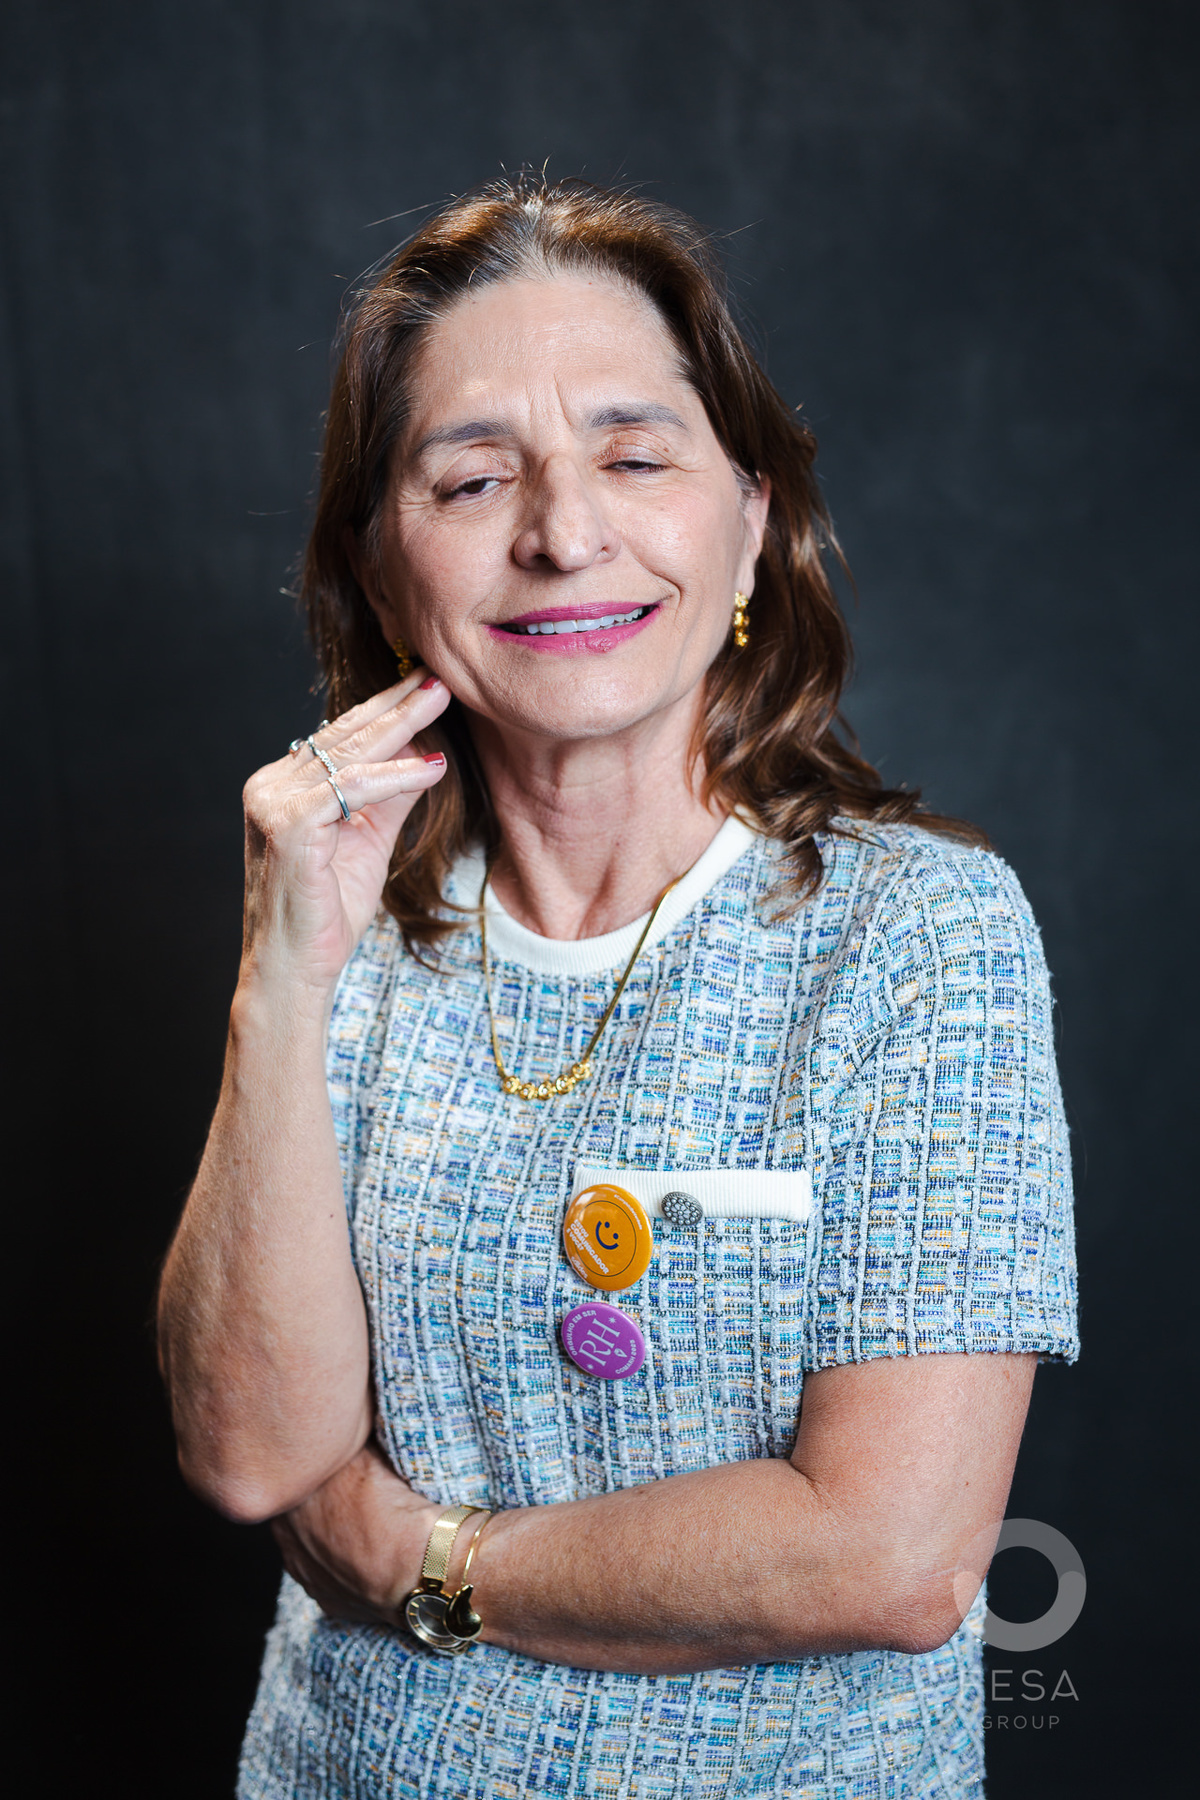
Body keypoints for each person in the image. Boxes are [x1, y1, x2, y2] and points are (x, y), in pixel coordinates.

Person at [157, 175, 1078, 1799]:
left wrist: (429, 1559)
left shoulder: (918, 934)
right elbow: (247, 1454)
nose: (564, 532)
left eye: (635, 455)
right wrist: (282, 972)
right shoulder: (343, 919)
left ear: (752, 521)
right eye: (472, 478)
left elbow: (894, 1556)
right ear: (381, 572)